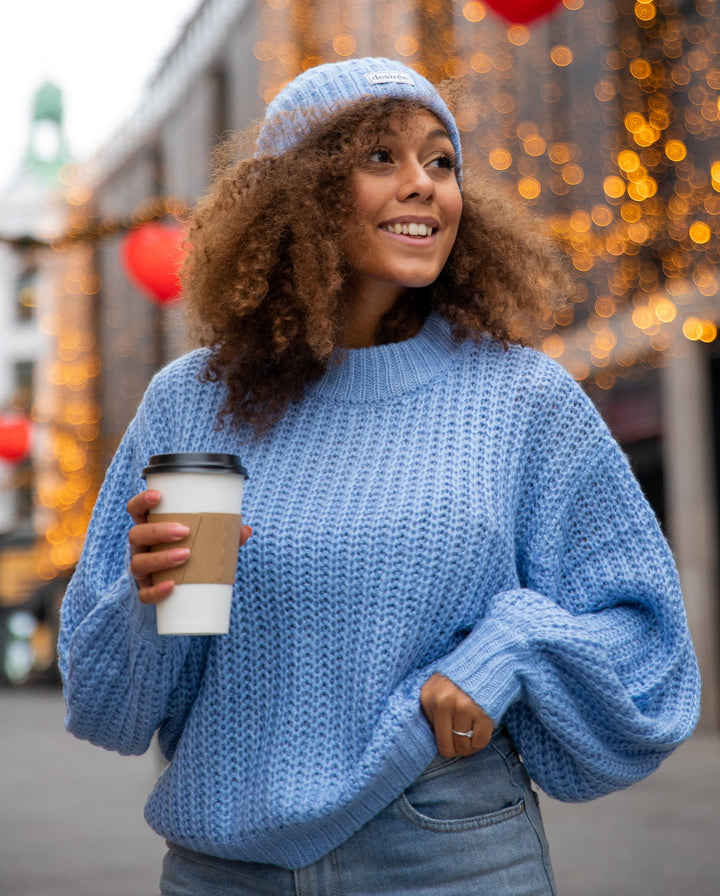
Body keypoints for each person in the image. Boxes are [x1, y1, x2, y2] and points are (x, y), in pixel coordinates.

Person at [58, 56, 700, 896]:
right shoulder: (191, 401)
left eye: (441, 162)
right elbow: (104, 706)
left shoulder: (519, 397)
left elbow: (647, 638)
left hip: (450, 850)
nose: (423, 185)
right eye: (380, 159)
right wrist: (143, 607)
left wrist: (508, 652)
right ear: (298, 194)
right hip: (227, 869)